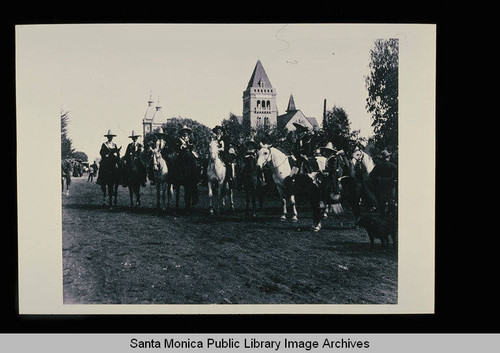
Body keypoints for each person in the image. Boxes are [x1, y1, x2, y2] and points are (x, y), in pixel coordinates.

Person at [370, 149, 398, 215]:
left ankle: (382, 215)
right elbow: (397, 176)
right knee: (391, 200)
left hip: (381, 185)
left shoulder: (378, 166)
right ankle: (392, 215)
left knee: (382, 200)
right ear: (388, 157)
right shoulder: (393, 166)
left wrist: (378, 179)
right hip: (391, 185)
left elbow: (371, 175)